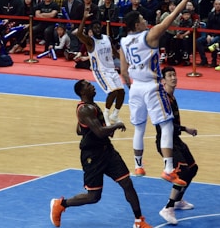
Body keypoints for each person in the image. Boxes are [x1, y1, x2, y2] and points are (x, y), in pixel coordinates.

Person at [119, 0, 195, 184]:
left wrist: (131, 88)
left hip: (135, 87)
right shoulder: (149, 36)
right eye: (142, 20)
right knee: (166, 125)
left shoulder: (124, 42)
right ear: (137, 24)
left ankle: (138, 166)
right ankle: (168, 168)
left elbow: (124, 72)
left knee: (139, 129)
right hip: (152, 86)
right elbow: (173, 15)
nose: (146, 21)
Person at [49, 80, 151, 228]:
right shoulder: (85, 109)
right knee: (93, 197)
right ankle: (61, 204)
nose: (92, 86)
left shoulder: (92, 106)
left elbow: (80, 130)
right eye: (88, 86)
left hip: (107, 151)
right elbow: (99, 132)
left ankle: (139, 221)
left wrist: (91, 130)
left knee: (127, 183)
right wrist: (115, 125)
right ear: (83, 92)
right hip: (92, 156)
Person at [155, 66, 199, 225]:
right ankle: (168, 207)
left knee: (193, 169)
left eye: (175, 75)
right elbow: (163, 125)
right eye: (170, 75)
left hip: (176, 140)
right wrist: (185, 128)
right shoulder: (163, 99)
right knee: (184, 172)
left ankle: (178, 200)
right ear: (163, 80)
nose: (173, 77)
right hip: (167, 143)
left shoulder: (171, 97)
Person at [76, 6, 125, 126]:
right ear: (91, 29)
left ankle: (115, 114)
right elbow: (78, 34)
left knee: (121, 92)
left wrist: (125, 62)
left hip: (111, 69)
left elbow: (114, 52)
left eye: (98, 27)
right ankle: (106, 114)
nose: (97, 29)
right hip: (100, 71)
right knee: (113, 92)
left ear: (101, 27)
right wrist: (84, 18)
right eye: (94, 27)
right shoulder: (90, 41)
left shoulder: (107, 38)